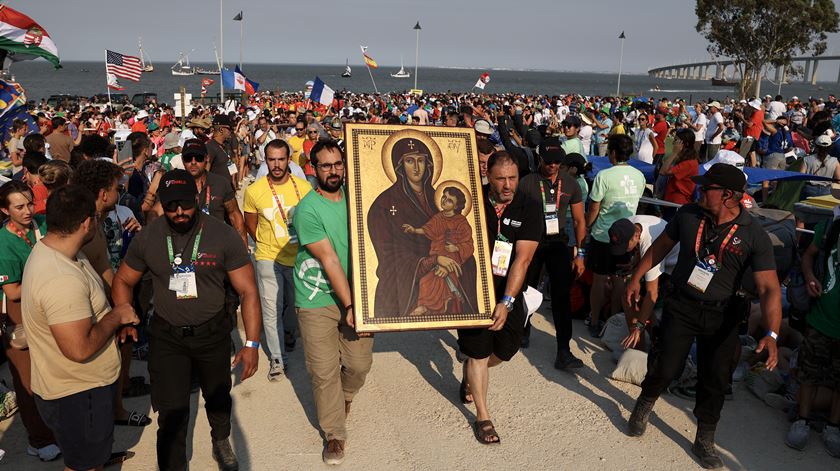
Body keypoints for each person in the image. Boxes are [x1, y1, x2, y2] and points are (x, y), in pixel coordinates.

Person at [624, 163, 781, 469]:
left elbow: (770, 288)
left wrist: (772, 334)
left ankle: (705, 437)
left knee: (715, 380)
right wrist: (636, 276)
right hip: (682, 306)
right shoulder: (688, 214)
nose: (699, 191)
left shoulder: (754, 235)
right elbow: (660, 247)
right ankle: (645, 402)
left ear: (728, 196)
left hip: (723, 317)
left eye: (706, 188)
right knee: (666, 366)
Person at [112, 169, 261, 471]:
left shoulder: (222, 234)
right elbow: (123, 280)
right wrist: (126, 316)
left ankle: (220, 439)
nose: (179, 211)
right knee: (171, 412)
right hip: (167, 337)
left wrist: (251, 343)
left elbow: (248, 291)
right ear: (160, 205)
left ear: (196, 197)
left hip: (213, 334)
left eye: (184, 203)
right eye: (170, 205)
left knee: (218, 398)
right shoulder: (149, 238)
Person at [22, 185, 139, 471]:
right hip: (77, 394)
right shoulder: (60, 278)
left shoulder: (63, 252)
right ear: (87, 223)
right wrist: (117, 316)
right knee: (84, 465)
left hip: (79, 391)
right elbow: (79, 348)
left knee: (88, 457)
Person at [292, 140, 373, 465]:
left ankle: (345, 397)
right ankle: (334, 435)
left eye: (338, 163)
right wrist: (352, 305)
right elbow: (329, 260)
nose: (333, 170)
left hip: (359, 293)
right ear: (313, 169)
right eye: (325, 165)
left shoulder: (359, 199)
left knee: (358, 365)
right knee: (323, 371)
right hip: (317, 297)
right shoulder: (307, 209)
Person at [458, 150, 540, 445]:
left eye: (513, 178)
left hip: (509, 289)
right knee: (478, 353)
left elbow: (523, 259)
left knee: (505, 350)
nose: (507, 185)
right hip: (473, 288)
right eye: (501, 179)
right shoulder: (471, 200)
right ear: (488, 177)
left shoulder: (529, 206)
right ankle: (483, 416)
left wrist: (506, 302)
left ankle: (469, 371)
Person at [0, 181, 61, 462]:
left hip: (50, 311)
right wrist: (50, 279)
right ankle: (39, 439)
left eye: (29, 203)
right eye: (19, 206)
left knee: (53, 374)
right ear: (5, 209)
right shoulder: (3, 243)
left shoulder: (43, 224)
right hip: (20, 316)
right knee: (28, 381)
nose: (27, 211)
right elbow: (12, 292)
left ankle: (56, 430)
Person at [244, 139, 311, 380]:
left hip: (297, 257)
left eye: (281, 159)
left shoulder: (304, 189)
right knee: (271, 309)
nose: (276, 164)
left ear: (289, 160)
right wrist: (263, 244)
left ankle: (290, 333)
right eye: (271, 159)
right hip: (267, 257)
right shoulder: (255, 191)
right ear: (265, 160)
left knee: (294, 306)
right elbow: (250, 224)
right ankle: (277, 358)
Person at [518, 138, 586, 368]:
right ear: (540, 158)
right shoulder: (527, 182)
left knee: (561, 297)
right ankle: (522, 331)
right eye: (548, 161)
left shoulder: (571, 184)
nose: (553, 166)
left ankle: (563, 351)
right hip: (532, 243)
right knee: (526, 290)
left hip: (558, 244)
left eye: (557, 161)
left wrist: (581, 254)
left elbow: (579, 220)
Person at [788, 215, 840, 457]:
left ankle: (833, 427)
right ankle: (802, 420)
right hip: (820, 317)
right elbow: (809, 254)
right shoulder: (830, 226)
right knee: (808, 372)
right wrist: (809, 276)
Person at [585, 134, 646, 337]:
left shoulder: (604, 175)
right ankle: (611, 320)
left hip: (603, 235)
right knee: (620, 279)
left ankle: (594, 320)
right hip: (628, 237)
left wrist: (586, 227)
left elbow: (594, 208)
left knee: (599, 279)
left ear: (612, 152)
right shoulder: (639, 176)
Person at [401, 184, 474, 316]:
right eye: (444, 197)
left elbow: (469, 244)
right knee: (425, 281)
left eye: (450, 200)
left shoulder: (461, 222)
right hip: (437, 257)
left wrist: (456, 248)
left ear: (456, 206)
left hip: (453, 259)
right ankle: (426, 306)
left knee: (438, 280)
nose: (444, 201)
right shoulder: (438, 217)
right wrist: (414, 230)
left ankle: (434, 305)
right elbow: (428, 229)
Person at [608, 217, 680, 351]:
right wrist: (635, 265)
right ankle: (647, 344)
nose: (623, 251)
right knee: (631, 296)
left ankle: (639, 350)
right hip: (659, 253)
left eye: (625, 246)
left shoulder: (650, 244)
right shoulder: (628, 223)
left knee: (631, 300)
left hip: (675, 268)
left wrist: (639, 327)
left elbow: (652, 293)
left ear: (636, 236)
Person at [800, 134, 840, 199]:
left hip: (809, 190)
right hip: (826, 191)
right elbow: (838, 180)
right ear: (830, 147)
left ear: (816, 146)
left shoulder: (806, 159)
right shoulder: (835, 161)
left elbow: (801, 177)